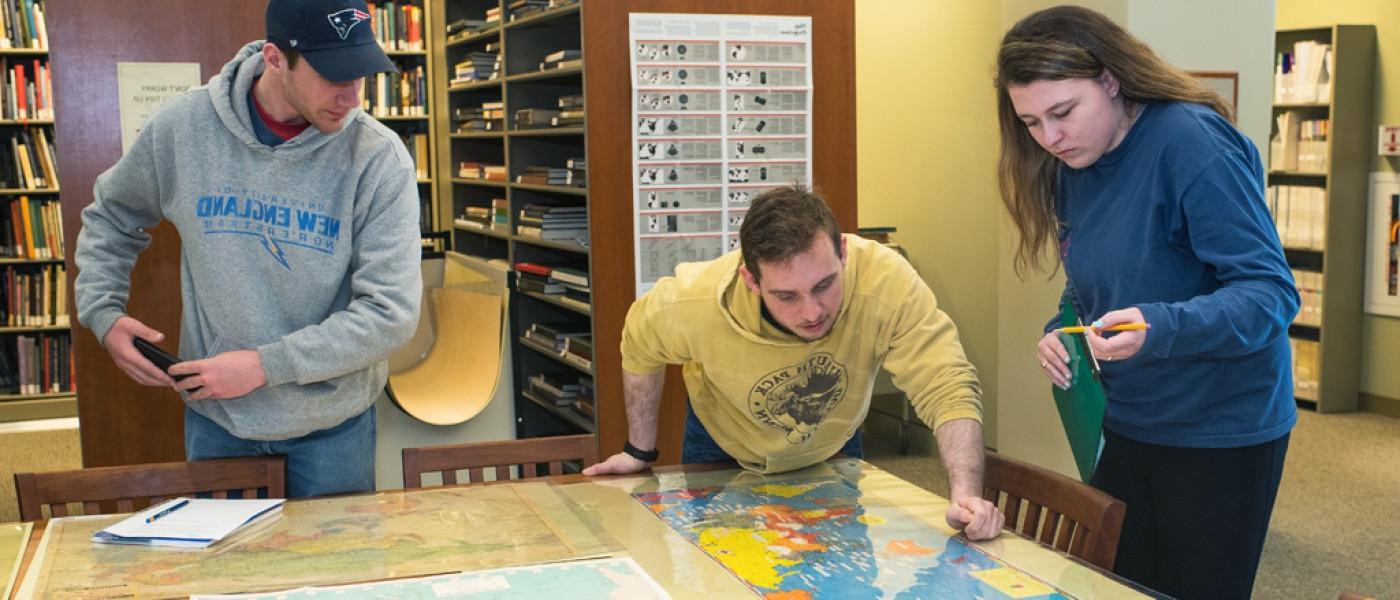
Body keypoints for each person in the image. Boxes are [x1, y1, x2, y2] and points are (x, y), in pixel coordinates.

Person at [994, 6, 1298, 598]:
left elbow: (1270, 294)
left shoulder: (1189, 142)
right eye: (1030, 122)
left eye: (1062, 113)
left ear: (1111, 79)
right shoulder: (1070, 162)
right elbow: (1096, 273)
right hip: (1133, 418)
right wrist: (1065, 326)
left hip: (1221, 428)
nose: (1050, 137)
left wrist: (1159, 327)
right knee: (1114, 585)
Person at [73, 0, 422, 498]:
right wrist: (103, 313)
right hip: (219, 422)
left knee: (335, 574)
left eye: (361, 76)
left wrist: (263, 366)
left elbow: (391, 315)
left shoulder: (378, 158)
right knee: (225, 574)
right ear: (276, 59)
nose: (351, 97)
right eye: (333, 76)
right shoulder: (183, 129)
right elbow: (111, 214)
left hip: (332, 427)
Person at [582, 185, 1004, 541]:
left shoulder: (887, 280)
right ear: (752, 280)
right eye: (787, 296)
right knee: (718, 568)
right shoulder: (693, 300)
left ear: (842, 252)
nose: (812, 311)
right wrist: (639, 449)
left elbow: (945, 380)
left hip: (832, 440)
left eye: (824, 285)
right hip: (722, 442)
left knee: (838, 568)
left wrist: (964, 493)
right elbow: (639, 344)